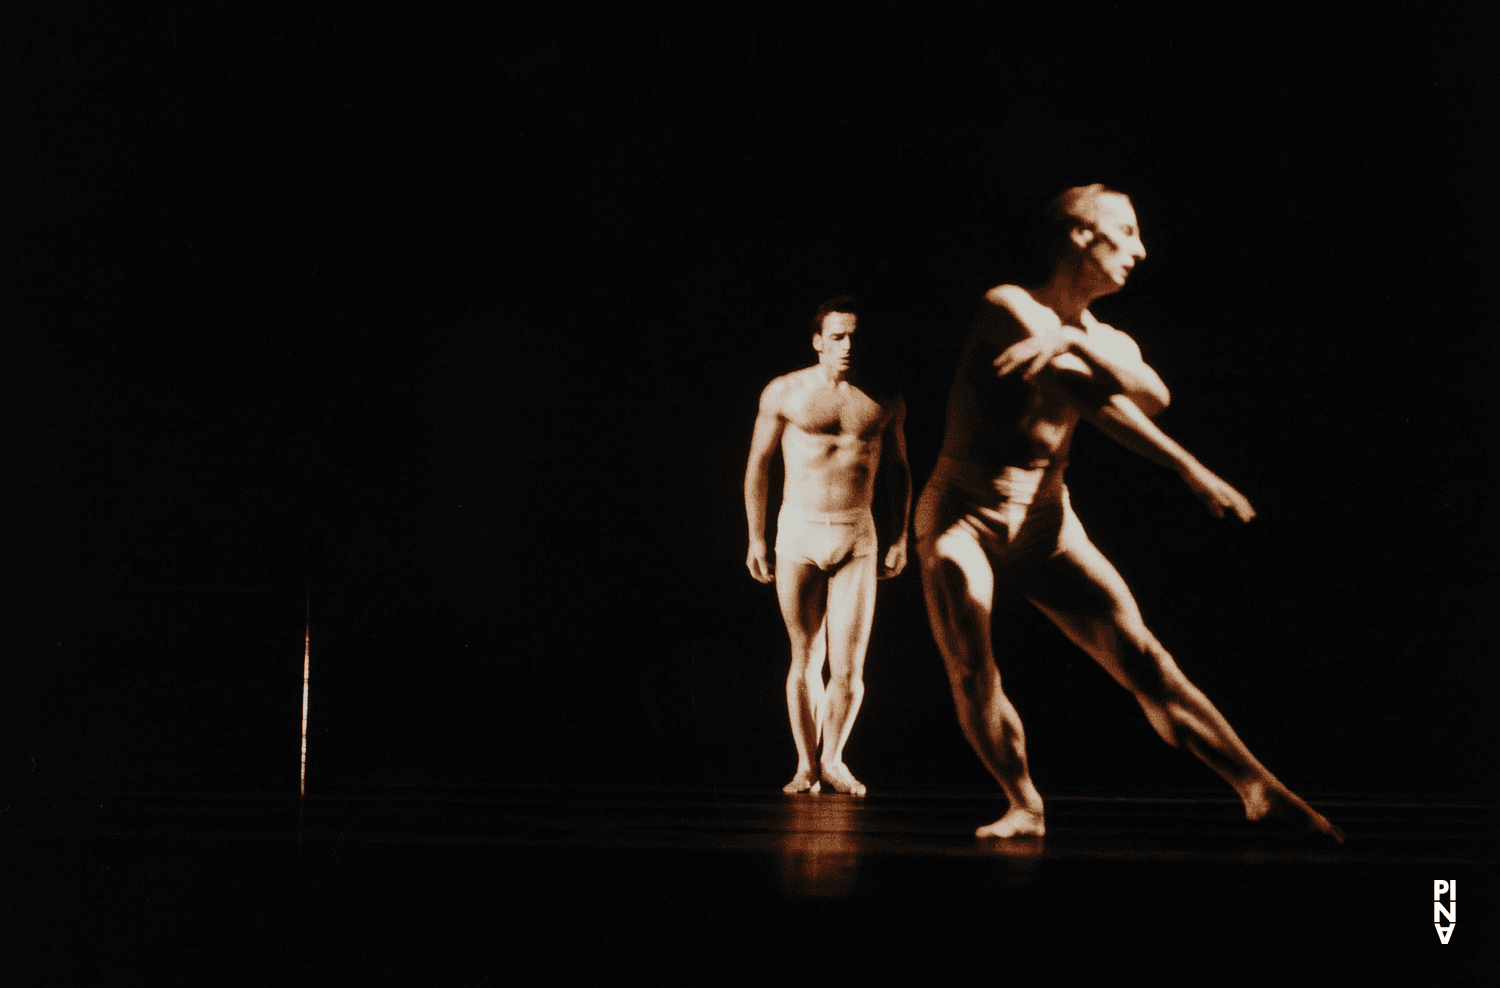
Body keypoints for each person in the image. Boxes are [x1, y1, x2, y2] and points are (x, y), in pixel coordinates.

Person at [916, 185, 1343, 840]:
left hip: (1044, 515)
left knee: (1143, 657)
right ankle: (1024, 803)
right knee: (973, 666)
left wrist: (1076, 339)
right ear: (1080, 235)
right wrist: (1190, 468)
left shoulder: (1105, 336)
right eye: (1126, 231)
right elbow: (1094, 401)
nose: (1140, 250)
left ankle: (1260, 788)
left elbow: (1155, 395)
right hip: (962, 512)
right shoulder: (1007, 304)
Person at [745, 297, 912, 795]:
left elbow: (899, 471)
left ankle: (833, 758)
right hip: (798, 530)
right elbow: (758, 464)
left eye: (854, 336)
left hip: (856, 533)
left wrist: (901, 536)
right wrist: (755, 536)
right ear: (818, 341)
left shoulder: (885, 398)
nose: (847, 345)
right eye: (837, 336)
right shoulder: (784, 392)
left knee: (849, 666)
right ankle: (805, 766)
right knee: (804, 655)